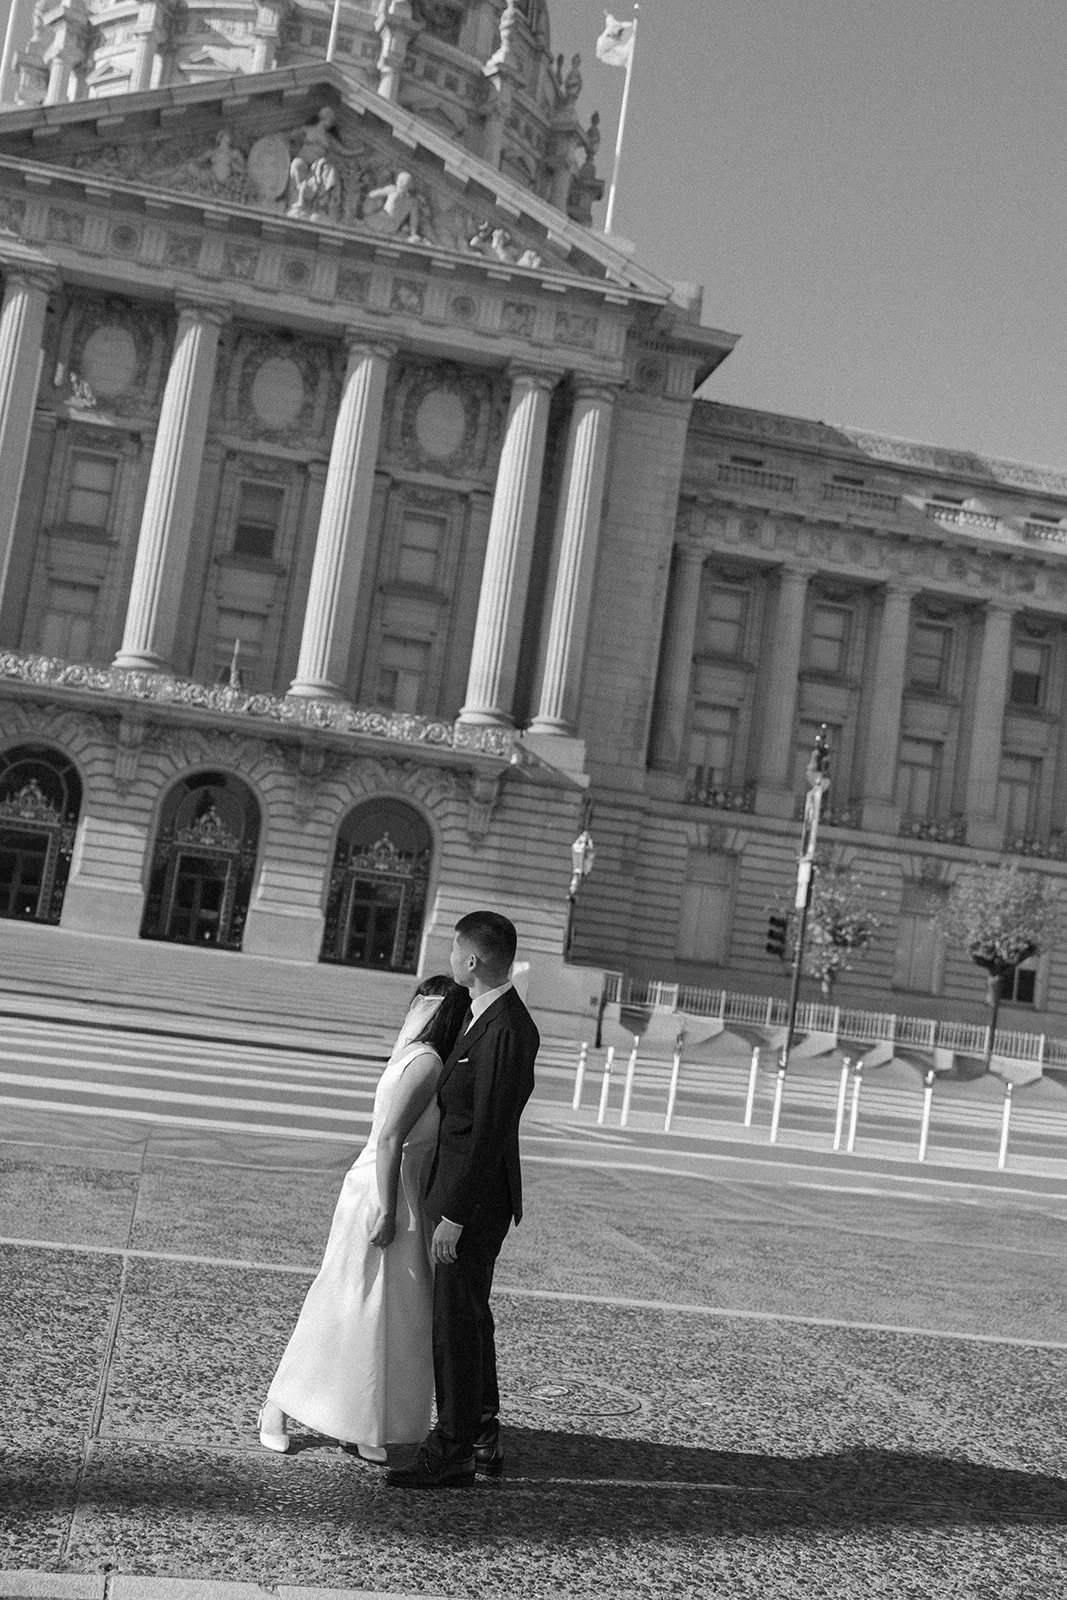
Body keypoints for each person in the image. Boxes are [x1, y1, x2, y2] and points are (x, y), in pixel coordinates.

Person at [257, 974, 470, 1461]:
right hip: (382, 1194)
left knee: (383, 1312)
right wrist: (390, 1211)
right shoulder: (428, 1064)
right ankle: (278, 1403)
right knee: (347, 1301)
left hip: (393, 1191)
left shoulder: (415, 1058)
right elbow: (392, 1140)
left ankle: (362, 1420)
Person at [387, 911, 539, 1489]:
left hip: (470, 1202)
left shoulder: (504, 1027)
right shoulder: (485, 1017)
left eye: (454, 949)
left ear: (472, 960)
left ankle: (451, 1447)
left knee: (456, 1320)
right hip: (465, 1195)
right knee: (469, 1314)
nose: (448, 957)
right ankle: (480, 1431)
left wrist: (453, 1214)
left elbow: (490, 1130)